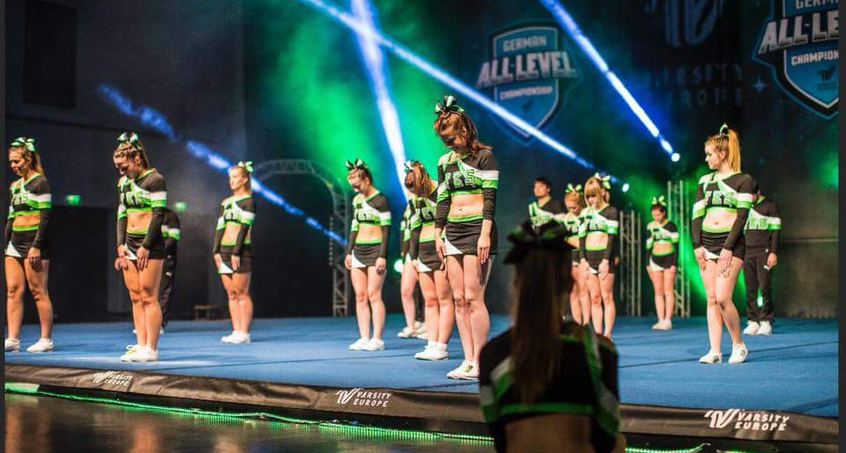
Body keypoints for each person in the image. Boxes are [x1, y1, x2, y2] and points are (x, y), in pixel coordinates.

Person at [479, 221, 625, 453]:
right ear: (569, 284)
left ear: (516, 283)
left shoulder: (492, 355)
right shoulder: (598, 352)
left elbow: (501, 440)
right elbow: (606, 439)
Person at [432, 95, 499, 380]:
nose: (448, 145)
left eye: (451, 139)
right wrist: (438, 232)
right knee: (458, 298)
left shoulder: (484, 156)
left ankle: (482, 360)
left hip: (477, 231)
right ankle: (468, 359)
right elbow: (443, 200)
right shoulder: (445, 161)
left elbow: (490, 198)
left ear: (463, 130)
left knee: (473, 297)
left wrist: (484, 234)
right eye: (444, 141)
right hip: (453, 232)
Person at [692, 124, 754, 364]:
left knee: (722, 297)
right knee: (710, 298)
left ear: (723, 154)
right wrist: (697, 245)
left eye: (709, 154)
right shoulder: (704, 180)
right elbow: (697, 215)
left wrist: (728, 247)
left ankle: (739, 344)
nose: (706, 158)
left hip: (732, 244)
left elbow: (742, 217)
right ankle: (715, 350)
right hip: (706, 243)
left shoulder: (743, 180)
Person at [113, 132, 167, 362]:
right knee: (135, 297)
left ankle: (152, 349)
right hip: (130, 244)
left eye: (123, 166)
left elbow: (158, 215)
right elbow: (122, 215)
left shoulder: (155, 180)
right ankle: (141, 344)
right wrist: (120, 245)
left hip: (150, 245)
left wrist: (145, 245)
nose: (120, 171)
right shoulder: (123, 183)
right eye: (117, 167)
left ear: (137, 159)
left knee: (148, 296)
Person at [4, 137, 55, 353]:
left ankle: (46, 339)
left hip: (35, 242)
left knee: (38, 290)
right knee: (13, 290)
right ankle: (13, 338)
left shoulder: (40, 182)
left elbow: (45, 217)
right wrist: (6, 244)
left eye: (17, 161)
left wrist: (36, 246)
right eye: (11, 162)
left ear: (28, 159)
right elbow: (10, 218)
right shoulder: (15, 186)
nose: (14, 166)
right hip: (15, 243)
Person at [405, 160, 454, 361]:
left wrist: (448, 250)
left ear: (423, 181)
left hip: (441, 249)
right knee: (430, 300)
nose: (414, 193)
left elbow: (450, 222)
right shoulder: (416, 198)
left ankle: (442, 346)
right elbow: (415, 228)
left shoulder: (440, 192)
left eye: (415, 188)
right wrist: (413, 256)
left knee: (444, 298)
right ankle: (431, 343)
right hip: (424, 251)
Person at [344, 159, 391, 351]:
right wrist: (349, 252)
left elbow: (386, 230)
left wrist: (383, 255)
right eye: (352, 187)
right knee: (360, 296)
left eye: (357, 185)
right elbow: (354, 227)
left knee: (374, 295)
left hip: (375, 250)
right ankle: (364, 337)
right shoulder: (357, 200)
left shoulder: (380, 200)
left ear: (366, 179)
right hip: (358, 251)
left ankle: (377, 339)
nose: (355, 189)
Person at [214, 161, 257, 345]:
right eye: (230, 178)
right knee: (231, 293)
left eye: (235, 177)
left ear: (244, 179)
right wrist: (215, 250)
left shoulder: (249, 202)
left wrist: (237, 252)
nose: (231, 181)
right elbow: (219, 227)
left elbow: (244, 228)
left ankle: (244, 332)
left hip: (240, 250)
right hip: (223, 250)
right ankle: (236, 329)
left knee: (242, 291)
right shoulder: (226, 203)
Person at [579, 174, 618, 339]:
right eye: (588, 196)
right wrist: (582, 259)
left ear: (602, 192)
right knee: (594, 297)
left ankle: (607, 333)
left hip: (604, 258)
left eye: (593, 195)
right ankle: (597, 332)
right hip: (589, 258)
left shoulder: (611, 211)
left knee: (606, 296)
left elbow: (611, 238)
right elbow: (581, 237)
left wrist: (605, 261)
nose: (591, 199)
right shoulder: (584, 212)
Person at [742, 186, 780, 336]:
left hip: (763, 251)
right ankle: (753, 320)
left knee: (765, 287)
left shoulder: (769, 206)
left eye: (751, 195)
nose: (749, 198)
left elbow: (776, 231)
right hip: (747, 252)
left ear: (758, 193)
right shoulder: (743, 207)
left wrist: (773, 252)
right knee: (750, 288)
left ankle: (766, 320)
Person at [646, 196, 679, 331]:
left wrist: (673, 264)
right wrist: (647, 264)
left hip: (668, 259)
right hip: (655, 260)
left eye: (658, 214)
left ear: (664, 212)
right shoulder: (650, 226)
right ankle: (660, 319)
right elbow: (648, 246)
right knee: (658, 291)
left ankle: (668, 320)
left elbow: (676, 246)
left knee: (668, 290)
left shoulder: (671, 225)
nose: (656, 217)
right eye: (654, 215)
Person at [397, 172, 421, 340]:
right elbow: (405, 232)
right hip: (409, 252)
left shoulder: (423, 202)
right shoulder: (408, 206)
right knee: (406, 290)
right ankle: (411, 325)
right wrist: (404, 252)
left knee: (430, 294)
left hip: (423, 249)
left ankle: (428, 323)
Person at [563, 183, 590, 326]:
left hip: (582, 256)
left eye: (574, 208)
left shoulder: (586, 216)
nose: (572, 210)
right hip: (570, 256)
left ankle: (586, 323)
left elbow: (586, 237)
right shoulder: (566, 218)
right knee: (572, 292)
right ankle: (577, 324)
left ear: (580, 204)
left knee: (583, 290)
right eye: (569, 208)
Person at [159, 207, 180, 330]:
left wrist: (157, 251)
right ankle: (144, 324)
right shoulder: (146, 213)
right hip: (147, 258)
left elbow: (173, 237)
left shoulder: (170, 216)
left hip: (166, 258)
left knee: (163, 291)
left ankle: (160, 323)